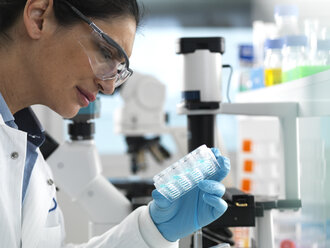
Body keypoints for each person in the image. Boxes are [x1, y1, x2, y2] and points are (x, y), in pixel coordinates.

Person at [0, 0, 230, 247]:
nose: (109, 87)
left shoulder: (27, 149)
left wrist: (152, 232)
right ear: (39, 17)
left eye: (119, 70)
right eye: (106, 53)